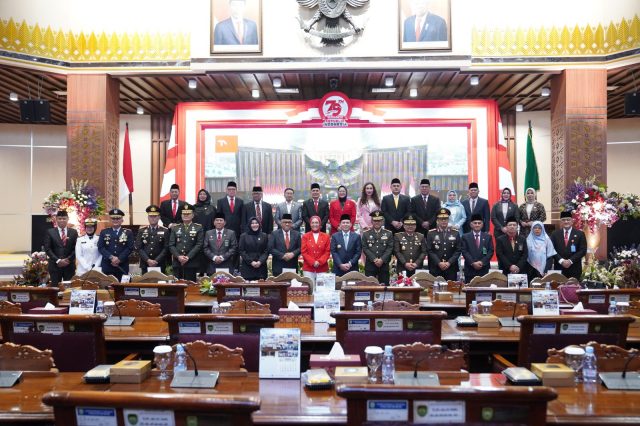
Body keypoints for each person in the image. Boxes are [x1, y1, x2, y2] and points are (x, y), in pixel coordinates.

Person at [168, 203, 204, 281]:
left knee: (191, 287)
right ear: (181, 215)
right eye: (184, 214)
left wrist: (188, 257)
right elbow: (171, 245)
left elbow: (199, 244)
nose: (186, 215)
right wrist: (178, 256)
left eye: (188, 213)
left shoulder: (198, 227)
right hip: (177, 262)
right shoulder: (175, 228)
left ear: (193, 215)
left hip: (191, 262)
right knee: (177, 287)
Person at [98, 209, 134, 281]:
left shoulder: (128, 232)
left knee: (123, 288)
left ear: (122, 220)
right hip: (107, 265)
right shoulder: (104, 232)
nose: (115, 220)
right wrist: (111, 257)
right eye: (113, 218)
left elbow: (130, 248)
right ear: (110, 220)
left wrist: (119, 259)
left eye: (118, 218)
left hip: (122, 265)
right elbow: (101, 247)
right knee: (107, 287)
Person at [550, 210, 587, 280]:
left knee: (573, 289)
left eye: (568, 220)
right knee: (558, 288)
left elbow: (583, 250)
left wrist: (570, 261)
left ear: (572, 221)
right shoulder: (554, 234)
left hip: (574, 268)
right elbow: (551, 249)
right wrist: (561, 260)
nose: (566, 222)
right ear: (561, 222)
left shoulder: (580, 234)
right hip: (559, 267)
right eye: (563, 220)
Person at [43, 210, 78, 285]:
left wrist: (68, 260)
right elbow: (48, 249)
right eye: (60, 218)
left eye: (64, 218)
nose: (62, 220)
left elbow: (76, 248)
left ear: (68, 219)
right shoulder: (50, 232)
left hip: (69, 266)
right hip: (55, 266)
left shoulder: (73, 232)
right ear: (56, 219)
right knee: (55, 289)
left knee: (69, 289)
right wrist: (58, 260)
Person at [426, 208, 461, 281]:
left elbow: (458, 250)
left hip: (451, 268)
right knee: (434, 290)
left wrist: (449, 262)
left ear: (448, 220)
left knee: (451, 290)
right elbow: (429, 250)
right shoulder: (431, 233)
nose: (444, 221)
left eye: (446, 219)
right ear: (437, 220)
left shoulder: (455, 233)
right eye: (441, 219)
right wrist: (439, 263)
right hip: (436, 267)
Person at [217, 181, 244, 271]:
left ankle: (236, 270)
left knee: (236, 250)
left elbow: (242, 217)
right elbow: (219, 217)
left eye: (233, 189)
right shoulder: (220, 201)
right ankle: (226, 269)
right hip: (225, 231)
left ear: (236, 190)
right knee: (225, 250)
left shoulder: (240, 201)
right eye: (230, 189)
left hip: (237, 231)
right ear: (226, 190)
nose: (231, 191)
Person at [135, 205, 168, 274]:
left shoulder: (165, 230)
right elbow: (139, 248)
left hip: (160, 263)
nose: (153, 218)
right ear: (148, 217)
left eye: (155, 216)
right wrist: (148, 260)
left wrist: (156, 260)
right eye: (151, 216)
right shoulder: (142, 230)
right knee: (146, 284)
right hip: (145, 263)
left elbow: (166, 248)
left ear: (159, 217)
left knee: (160, 284)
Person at [460, 213, 494, 282]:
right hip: (470, 269)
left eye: (479, 223)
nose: (477, 225)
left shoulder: (488, 237)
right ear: (471, 224)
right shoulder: (465, 237)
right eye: (475, 223)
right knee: (469, 291)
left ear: (482, 224)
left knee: (484, 291)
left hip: (484, 269)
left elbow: (490, 251)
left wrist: (482, 262)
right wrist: (473, 263)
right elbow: (464, 251)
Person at [362, 211, 394, 283]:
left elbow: (390, 248)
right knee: (369, 287)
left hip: (384, 265)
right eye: (375, 220)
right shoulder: (366, 234)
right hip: (370, 265)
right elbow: (365, 248)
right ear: (371, 221)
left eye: (379, 220)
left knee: (384, 288)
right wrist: (374, 259)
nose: (377, 222)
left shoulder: (388, 233)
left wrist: (382, 260)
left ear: (382, 222)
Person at [301, 215, 331, 288]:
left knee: (321, 289)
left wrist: (319, 262)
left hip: (322, 267)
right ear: (310, 224)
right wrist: (313, 262)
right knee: (310, 289)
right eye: (313, 222)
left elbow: (327, 252)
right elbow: (304, 252)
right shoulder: (305, 236)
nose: (315, 224)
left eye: (317, 222)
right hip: (308, 268)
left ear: (320, 224)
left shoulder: (326, 236)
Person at [394, 213, 427, 278]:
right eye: (408, 224)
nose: (410, 226)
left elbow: (424, 252)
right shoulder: (398, 236)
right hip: (402, 267)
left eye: (412, 224)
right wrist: (405, 263)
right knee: (402, 286)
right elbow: (397, 251)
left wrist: (416, 263)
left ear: (415, 226)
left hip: (417, 267)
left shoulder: (421, 236)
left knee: (417, 287)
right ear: (404, 226)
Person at [194, 188, 216, 276]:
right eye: (200, 194)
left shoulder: (212, 208)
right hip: (196, 235)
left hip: (209, 235)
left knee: (208, 253)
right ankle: (199, 273)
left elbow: (215, 222)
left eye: (204, 194)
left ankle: (209, 274)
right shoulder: (193, 207)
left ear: (207, 196)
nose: (202, 196)